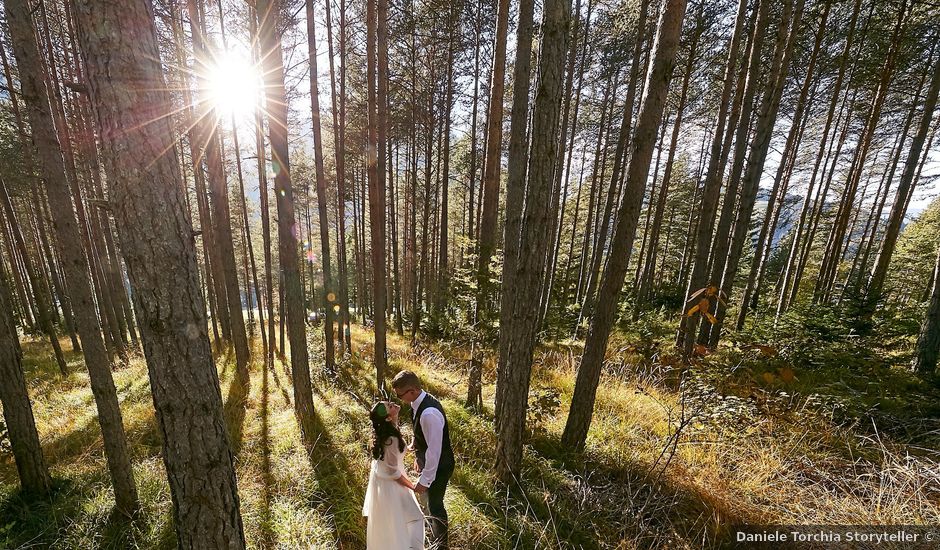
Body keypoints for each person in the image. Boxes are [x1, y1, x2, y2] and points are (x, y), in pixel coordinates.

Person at [392, 370, 455, 550]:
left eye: (400, 395)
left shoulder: (429, 414)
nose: (399, 398)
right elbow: (423, 433)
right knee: (429, 502)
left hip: (441, 465)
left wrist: (425, 481)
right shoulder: (417, 402)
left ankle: (441, 545)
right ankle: (431, 530)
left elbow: (434, 451)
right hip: (431, 461)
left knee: (436, 504)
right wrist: (416, 444)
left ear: (412, 391)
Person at [362, 400, 425, 549]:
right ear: (388, 418)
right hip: (391, 487)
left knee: (402, 522)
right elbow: (392, 471)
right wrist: (413, 487)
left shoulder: (391, 432)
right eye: (389, 406)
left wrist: (411, 446)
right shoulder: (391, 439)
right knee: (413, 520)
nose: (393, 404)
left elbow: (396, 454)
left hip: (389, 483)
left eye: (388, 402)